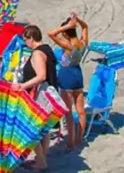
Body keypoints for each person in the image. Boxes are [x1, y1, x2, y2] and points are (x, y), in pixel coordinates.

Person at [16, 25, 59, 171]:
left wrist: (22, 86)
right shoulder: (47, 49)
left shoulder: (38, 53)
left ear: (31, 38)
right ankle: (42, 158)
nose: (25, 43)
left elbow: (41, 76)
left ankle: (41, 162)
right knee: (43, 130)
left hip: (40, 97)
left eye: (25, 39)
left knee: (30, 130)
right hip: (48, 96)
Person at [49, 14, 89, 149]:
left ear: (66, 33)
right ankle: (79, 139)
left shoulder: (67, 45)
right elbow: (85, 26)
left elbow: (51, 34)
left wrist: (67, 26)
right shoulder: (83, 43)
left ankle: (71, 142)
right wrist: (78, 21)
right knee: (81, 111)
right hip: (78, 75)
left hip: (66, 77)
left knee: (68, 112)